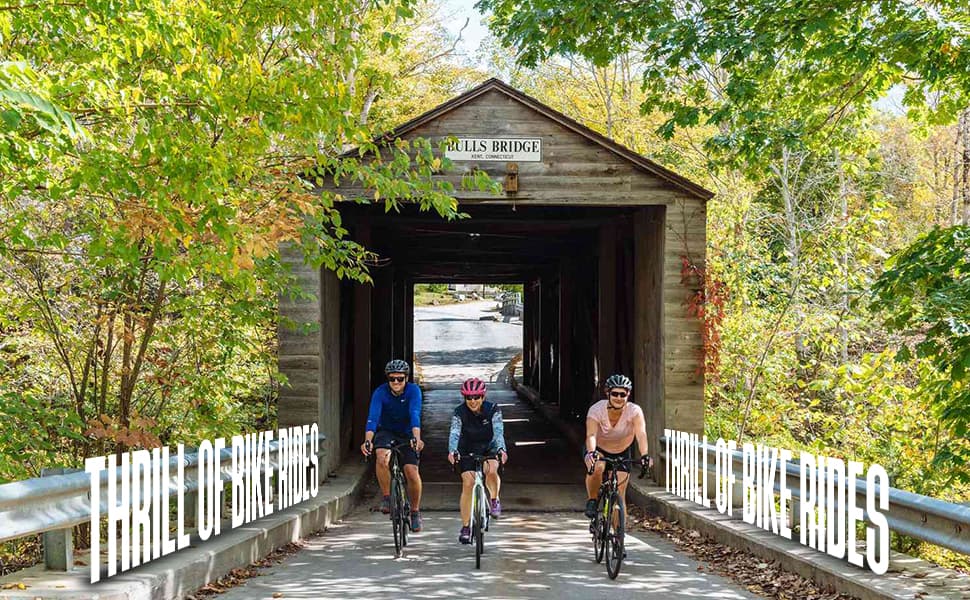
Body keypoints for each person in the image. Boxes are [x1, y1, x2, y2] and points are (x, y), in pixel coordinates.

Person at [360, 359, 425, 532]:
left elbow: (415, 414)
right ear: (388, 379)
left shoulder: (413, 391)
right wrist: (368, 440)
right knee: (381, 456)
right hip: (386, 431)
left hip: (407, 431)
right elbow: (373, 418)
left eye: (400, 379)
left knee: (411, 471)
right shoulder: (380, 392)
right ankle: (388, 497)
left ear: (406, 378)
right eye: (392, 379)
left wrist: (417, 438)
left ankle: (415, 511)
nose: (396, 382)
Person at [447, 377, 508, 544]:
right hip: (467, 447)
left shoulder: (493, 409)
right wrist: (452, 450)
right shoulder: (459, 412)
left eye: (476, 397)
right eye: (468, 398)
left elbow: (498, 432)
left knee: (491, 469)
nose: (472, 401)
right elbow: (454, 433)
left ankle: (494, 499)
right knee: (467, 482)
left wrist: (502, 449)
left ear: (483, 396)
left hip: (489, 446)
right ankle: (466, 526)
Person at [583, 374, 652, 520]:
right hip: (599, 449)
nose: (619, 398)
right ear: (608, 393)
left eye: (623, 394)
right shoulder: (596, 410)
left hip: (621, 451)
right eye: (615, 394)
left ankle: (618, 539)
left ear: (628, 395)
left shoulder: (634, 411)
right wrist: (591, 452)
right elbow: (591, 435)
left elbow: (641, 434)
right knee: (598, 467)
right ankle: (593, 500)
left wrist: (645, 454)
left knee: (619, 493)